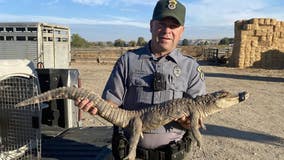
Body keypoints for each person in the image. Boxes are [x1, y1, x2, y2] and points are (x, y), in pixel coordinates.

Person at [76, 0, 206, 159]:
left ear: (182, 31)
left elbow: (196, 120)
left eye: (173, 26)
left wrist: (188, 122)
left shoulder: (191, 67)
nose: (166, 30)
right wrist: (96, 107)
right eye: (161, 23)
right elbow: (111, 104)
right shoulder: (128, 61)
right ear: (151, 25)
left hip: (173, 155)